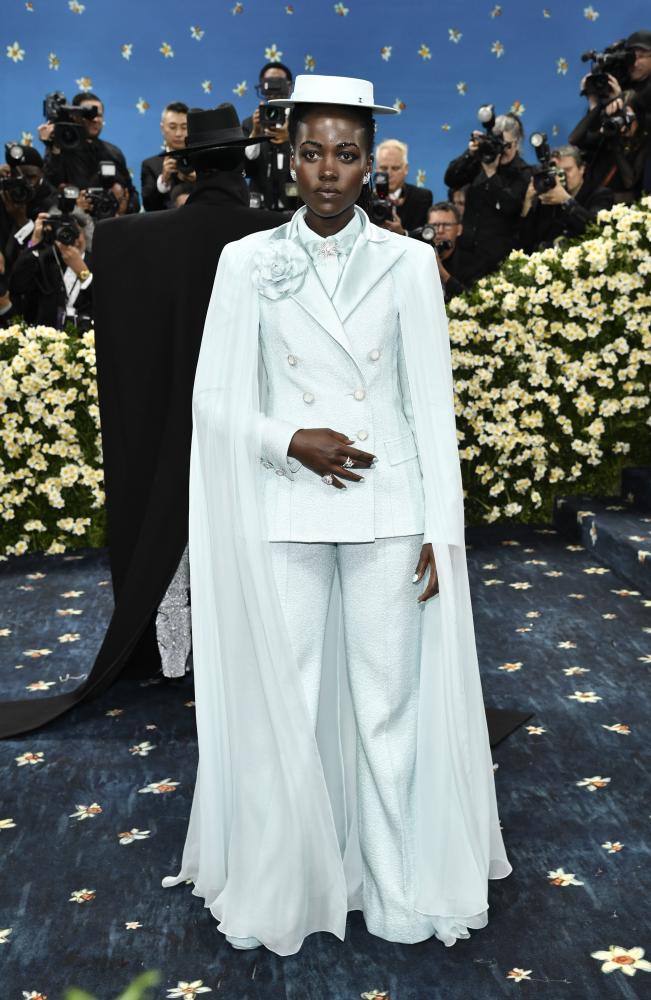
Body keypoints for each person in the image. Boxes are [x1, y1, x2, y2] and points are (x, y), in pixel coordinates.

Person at [162, 74, 511, 956]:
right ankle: (287, 885)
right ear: (288, 158)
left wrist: (443, 529)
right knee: (287, 704)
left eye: (346, 154)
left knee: (388, 708)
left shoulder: (408, 263)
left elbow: (429, 405)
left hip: (390, 510)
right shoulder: (246, 260)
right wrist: (289, 438)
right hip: (285, 508)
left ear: (370, 166)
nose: (327, 171)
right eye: (311, 152)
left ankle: (398, 889)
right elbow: (212, 401)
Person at [0, 105, 282, 739]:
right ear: (245, 163)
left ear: (187, 167)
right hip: (260, 429)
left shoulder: (129, 240)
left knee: (177, 526)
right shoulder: (279, 235)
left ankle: (176, 653)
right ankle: (254, 647)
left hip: (165, 433)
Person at [444, 113, 531, 283]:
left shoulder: (524, 172)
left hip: (500, 261)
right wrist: (470, 153)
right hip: (467, 255)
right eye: (497, 144)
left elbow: (511, 207)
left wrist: (491, 174)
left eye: (506, 145)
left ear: (517, 143)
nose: (501, 151)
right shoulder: (481, 161)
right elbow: (451, 179)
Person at [38, 92, 139, 211]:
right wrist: (74, 206)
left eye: (99, 115)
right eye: (89, 114)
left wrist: (125, 207)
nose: (95, 119)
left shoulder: (113, 153)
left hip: (111, 220)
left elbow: (131, 194)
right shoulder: (59, 150)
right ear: (75, 116)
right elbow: (48, 193)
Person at [519, 145, 614, 253]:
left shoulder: (600, 195)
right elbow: (527, 242)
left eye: (568, 170)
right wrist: (527, 203)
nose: (562, 176)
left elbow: (596, 228)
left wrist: (566, 201)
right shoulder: (549, 199)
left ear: (582, 169)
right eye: (557, 172)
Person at [9, 210, 93, 329]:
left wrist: (83, 273)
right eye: (64, 233)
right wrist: (35, 242)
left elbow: (106, 301)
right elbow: (17, 285)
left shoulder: (99, 262)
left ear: (85, 234)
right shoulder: (44, 259)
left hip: (86, 335)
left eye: (75, 233)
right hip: (45, 335)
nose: (72, 239)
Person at [243, 62, 296, 210]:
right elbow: (245, 168)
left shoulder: (301, 123)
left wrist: (292, 138)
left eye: (278, 82)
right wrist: (255, 134)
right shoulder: (249, 123)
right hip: (259, 206)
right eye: (269, 82)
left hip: (294, 204)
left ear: (289, 86)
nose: (274, 87)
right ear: (262, 86)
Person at [141, 102, 197, 211]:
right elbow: (148, 207)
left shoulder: (202, 160)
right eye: (172, 127)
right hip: (164, 220)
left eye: (184, 127)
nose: (178, 133)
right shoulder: (150, 165)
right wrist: (163, 180)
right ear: (162, 128)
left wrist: (200, 179)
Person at [375, 138, 433, 234]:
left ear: (406, 169)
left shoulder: (421, 197)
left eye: (395, 168)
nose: (389, 174)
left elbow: (424, 237)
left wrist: (403, 233)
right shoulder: (365, 197)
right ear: (376, 169)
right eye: (384, 168)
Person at [424, 201, 474, 301]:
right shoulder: (417, 260)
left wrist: (441, 272)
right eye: (434, 225)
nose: (440, 230)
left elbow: (472, 300)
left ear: (459, 229)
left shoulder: (472, 263)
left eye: (447, 225)